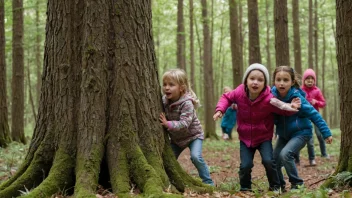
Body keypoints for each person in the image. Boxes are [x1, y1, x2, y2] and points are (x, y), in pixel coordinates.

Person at [213, 63, 301, 192]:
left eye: (260, 80)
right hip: (245, 137)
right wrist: (220, 110)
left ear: (265, 83)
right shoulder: (239, 92)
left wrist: (292, 107)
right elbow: (226, 97)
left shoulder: (269, 98)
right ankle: (245, 188)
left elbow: (282, 108)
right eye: (252, 78)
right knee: (245, 165)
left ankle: (275, 186)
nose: (255, 82)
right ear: (246, 80)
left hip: (263, 137)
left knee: (268, 161)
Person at [271, 66, 333, 190]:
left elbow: (313, 114)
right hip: (283, 135)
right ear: (274, 81)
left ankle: (297, 184)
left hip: (301, 133)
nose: (281, 83)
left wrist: (326, 132)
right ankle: (279, 185)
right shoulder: (272, 96)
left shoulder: (297, 98)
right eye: (278, 80)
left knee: (285, 154)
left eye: (285, 80)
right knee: (274, 159)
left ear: (292, 82)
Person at [159, 68, 214, 186]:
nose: (167, 88)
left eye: (171, 85)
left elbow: (184, 123)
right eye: (165, 84)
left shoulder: (187, 103)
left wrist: (168, 124)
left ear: (181, 88)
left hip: (194, 136)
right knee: (169, 160)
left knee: (196, 157)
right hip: (177, 139)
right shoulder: (164, 100)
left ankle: (208, 182)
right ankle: (168, 181)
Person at [298, 68, 329, 166]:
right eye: (308, 79)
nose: (310, 81)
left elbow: (323, 103)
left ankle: (324, 154)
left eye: (312, 79)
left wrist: (316, 102)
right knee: (309, 138)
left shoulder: (317, 90)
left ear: (314, 80)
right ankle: (312, 159)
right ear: (304, 80)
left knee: (320, 135)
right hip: (305, 116)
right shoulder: (301, 90)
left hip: (315, 116)